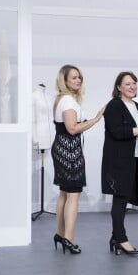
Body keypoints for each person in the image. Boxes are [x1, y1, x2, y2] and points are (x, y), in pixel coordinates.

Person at [51, 64, 104, 255]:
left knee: (64, 193)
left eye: (79, 77)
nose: (78, 80)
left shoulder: (60, 99)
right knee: (73, 194)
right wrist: (96, 119)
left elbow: (67, 127)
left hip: (61, 146)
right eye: (73, 77)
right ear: (64, 80)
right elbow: (72, 129)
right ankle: (69, 238)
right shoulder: (68, 101)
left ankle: (60, 233)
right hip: (69, 149)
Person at [101, 71, 138, 256]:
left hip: (134, 157)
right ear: (119, 87)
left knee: (123, 198)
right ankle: (121, 239)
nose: (132, 87)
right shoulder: (113, 106)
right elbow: (118, 132)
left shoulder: (136, 106)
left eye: (134, 83)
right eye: (128, 84)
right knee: (120, 199)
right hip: (118, 160)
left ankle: (115, 238)